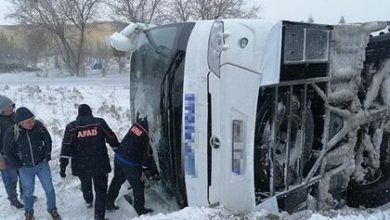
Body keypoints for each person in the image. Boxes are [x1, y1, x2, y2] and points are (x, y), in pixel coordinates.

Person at [60, 104, 120, 220]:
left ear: (79, 113)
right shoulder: (99, 123)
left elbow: (66, 146)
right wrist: (117, 149)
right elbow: (111, 137)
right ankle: (99, 216)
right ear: (90, 112)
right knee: (101, 190)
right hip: (100, 163)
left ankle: (88, 199)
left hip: (81, 165)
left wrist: (63, 165)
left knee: (85, 182)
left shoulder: (72, 127)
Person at [3, 107, 60, 220]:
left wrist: (46, 155)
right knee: (28, 192)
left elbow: (48, 140)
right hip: (25, 168)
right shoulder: (12, 132)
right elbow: (8, 151)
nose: (31, 124)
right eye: (28, 122)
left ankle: (52, 209)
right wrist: (18, 164)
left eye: (32, 120)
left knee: (49, 188)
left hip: (42, 165)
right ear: (20, 123)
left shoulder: (38, 126)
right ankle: (29, 212)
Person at [106, 115, 158, 216]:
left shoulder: (137, 125)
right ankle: (139, 208)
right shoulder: (149, 134)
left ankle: (109, 202)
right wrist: (144, 168)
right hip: (130, 163)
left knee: (117, 180)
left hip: (119, 156)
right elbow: (148, 153)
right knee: (138, 186)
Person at [0, 95, 23, 209]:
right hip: (6, 156)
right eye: (8, 106)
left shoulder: (15, 116)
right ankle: (13, 199)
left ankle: (25, 194)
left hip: (19, 152)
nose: (11, 108)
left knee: (24, 175)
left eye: (11, 105)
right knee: (11, 179)